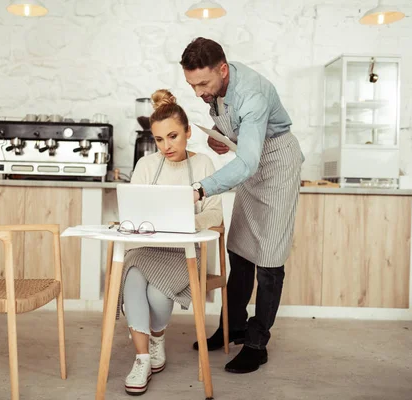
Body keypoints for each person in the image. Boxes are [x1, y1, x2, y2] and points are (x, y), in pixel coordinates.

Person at [181, 37, 304, 374]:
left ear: (223, 69)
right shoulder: (217, 88)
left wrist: (200, 189)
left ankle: (256, 343)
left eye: (203, 83)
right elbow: (239, 137)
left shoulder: (253, 94)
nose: (198, 92)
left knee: (269, 259)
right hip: (251, 162)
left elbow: (249, 160)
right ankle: (232, 327)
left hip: (277, 162)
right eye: (192, 85)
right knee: (239, 250)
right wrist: (219, 137)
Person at [119, 89, 223, 395]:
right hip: (146, 248)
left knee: (158, 294)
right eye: (160, 139)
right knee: (133, 279)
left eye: (174, 136)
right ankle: (141, 359)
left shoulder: (203, 164)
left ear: (189, 132)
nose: (166, 146)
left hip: (184, 252)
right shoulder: (146, 166)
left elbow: (215, 214)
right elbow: (133, 208)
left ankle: (157, 338)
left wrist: (189, 221)